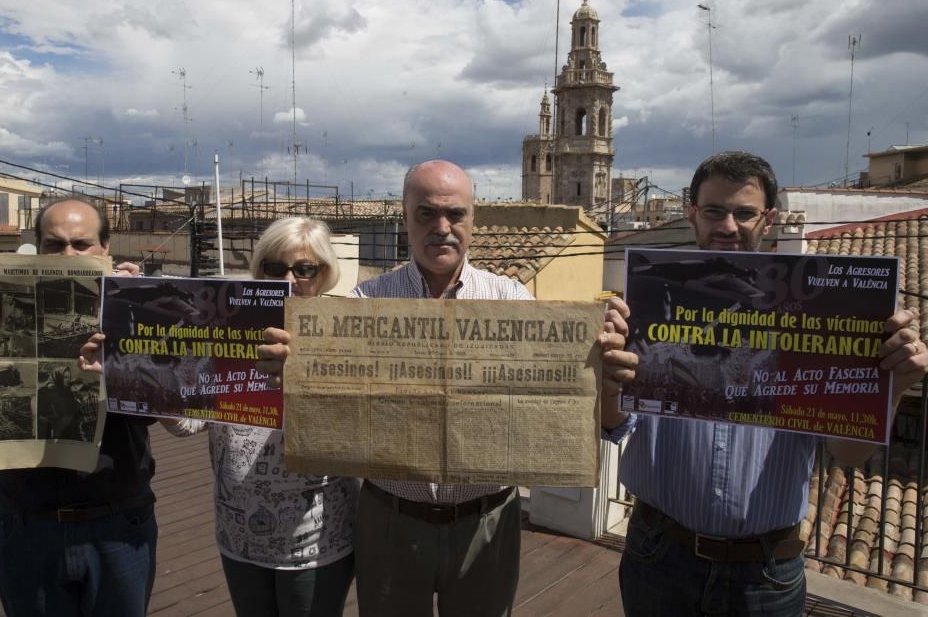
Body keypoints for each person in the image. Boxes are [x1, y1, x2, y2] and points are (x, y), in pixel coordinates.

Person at [256, 160, 636, 617]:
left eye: (455, 214)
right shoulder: (362, 305)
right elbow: (326, 409)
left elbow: (560, 405)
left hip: (488, 519)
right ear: (405, 218)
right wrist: (289, 374)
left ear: (473, 219)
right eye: (426, 214)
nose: (442, 228)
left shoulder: (513, 301)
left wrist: (602, 361)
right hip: (390, 520)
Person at [601, 151, 928, 616]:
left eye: (744, 212)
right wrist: (607, 376)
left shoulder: (814, 313)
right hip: (658, 555)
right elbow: (614, 425)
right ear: (692, 214)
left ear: (769, 219)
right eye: (714, 210)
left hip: (765, 572)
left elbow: (848, 452)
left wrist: (893, 387)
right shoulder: (650, 302)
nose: (728, 225)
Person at [0, 197, 157, 617]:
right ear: (38, 247)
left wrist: (137, 323)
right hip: (28, 526)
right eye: (55, 245)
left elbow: (159, 410)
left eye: (81, 244)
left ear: (106, 248)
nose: (68, 254)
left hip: (119, 523)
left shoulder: (131, 306)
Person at [161, 217, 358, 617]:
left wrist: (298, 380)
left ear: (323, 275)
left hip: (316, 540)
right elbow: (187, 421)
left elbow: (352, 435)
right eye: (274, 268)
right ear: (258, 270)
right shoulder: (224, 328)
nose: (289, 279)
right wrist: (157, 384)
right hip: (238, 534)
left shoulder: (343, 334)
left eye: (303, 269)